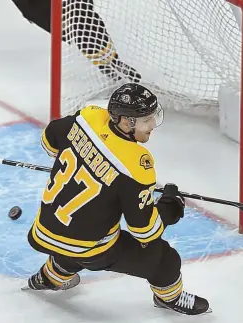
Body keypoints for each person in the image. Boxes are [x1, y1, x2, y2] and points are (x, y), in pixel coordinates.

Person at [26, 82, 210, 315]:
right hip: (88, 248)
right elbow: (145, 231)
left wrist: (83, 158)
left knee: (79, 228)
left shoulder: (88, 116)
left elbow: (49, 140)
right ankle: (168, 298)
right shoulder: (136, 163)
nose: (153, 125)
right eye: (146, 120)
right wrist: (170, 207)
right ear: (125, 121)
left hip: (42, 231)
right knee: (165, 259)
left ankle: (51, 277)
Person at [11, 0, 142, 83]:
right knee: (78, 27)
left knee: (83, 21)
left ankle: (116, 67)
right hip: (39, 8)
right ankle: (112, 69)